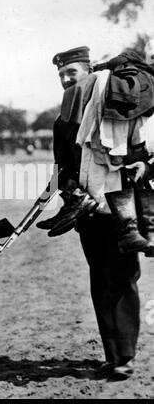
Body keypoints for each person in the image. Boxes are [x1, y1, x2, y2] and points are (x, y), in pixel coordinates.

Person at [37, 46, 152, 380]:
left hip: (121, 206)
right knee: (100, 279)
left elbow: (148, 152)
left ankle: (125, 356)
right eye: (61, 74)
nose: (65, 79)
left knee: (122, 278)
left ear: (89, 71)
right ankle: (112, 354)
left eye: (71, 72)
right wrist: (66, 188)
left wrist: (141, 166)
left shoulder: (123, 103)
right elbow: (64, 165)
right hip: (85, 209)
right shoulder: (64, 119)